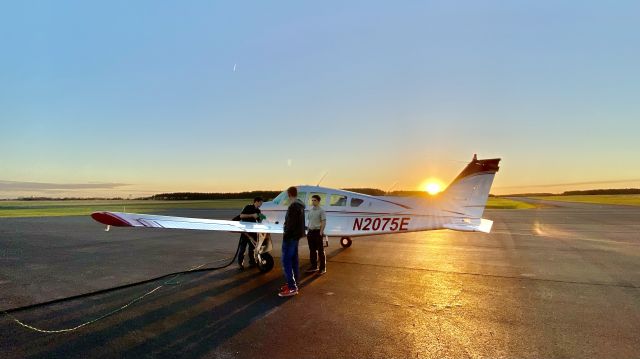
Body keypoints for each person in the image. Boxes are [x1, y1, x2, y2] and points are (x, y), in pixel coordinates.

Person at [278, 186, 305, 297]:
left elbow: (290, 225)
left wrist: (286, 234)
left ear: (289, 194)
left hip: (290, 238)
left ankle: (292, 287)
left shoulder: (293, 206)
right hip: (296, 237)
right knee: (294, 260)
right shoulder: (300, 206)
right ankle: (293, 283)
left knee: (286, 262)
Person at [237, 197, 263, 269]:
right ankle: (240, 264)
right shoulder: (248, 207)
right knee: (242, 248)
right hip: (245, 232)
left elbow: (259, 221)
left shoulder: (258, 211)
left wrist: (261, 218)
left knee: (251, 249)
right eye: (261, 202)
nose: (261, 204)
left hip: (253, 232)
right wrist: (252, 215)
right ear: (256, 202)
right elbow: (241, 216)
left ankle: (252, 263)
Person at [305, 194, 327, 274]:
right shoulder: (310, 211)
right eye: (312, 200)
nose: (313, 202)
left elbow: (324, 222)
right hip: (310, 232)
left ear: (318, 201)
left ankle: (322, 268)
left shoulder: (321, 211)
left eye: (315, 200)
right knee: (312, 250)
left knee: (321, 251)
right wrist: (307, 231)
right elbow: (309, 221)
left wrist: (320, 233)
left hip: (317, 232)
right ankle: (314, 266)